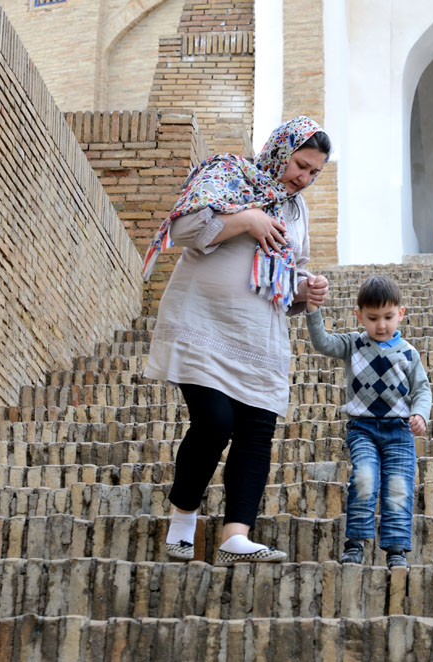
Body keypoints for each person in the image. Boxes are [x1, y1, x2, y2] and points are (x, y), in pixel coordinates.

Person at [142, 116, 332, 565]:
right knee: (213, 422)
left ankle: (235, 537)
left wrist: (305, 292)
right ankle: (183, 521)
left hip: (260, 336)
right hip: (203, 323)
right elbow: (184, 229)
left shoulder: (295, 210)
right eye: (300, 165)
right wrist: (247, 218)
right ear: (280, 151)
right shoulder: (228, 173)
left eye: (313, 173)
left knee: (256, 432)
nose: (302, 178)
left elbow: (286, 279)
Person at [304, 276, 431, 569]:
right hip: (363, 429)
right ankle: (355, 542)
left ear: (401, 313)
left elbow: (423, 390)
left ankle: (396, 548)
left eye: (388, 317)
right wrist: (313, 310)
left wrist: (420, 414)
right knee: (364, 478)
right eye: (372, 318)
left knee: (399, 486)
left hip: (399, 431)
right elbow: (322, 342)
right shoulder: (353, 344)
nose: (381, 325)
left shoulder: (409, 353)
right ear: (359, 315)